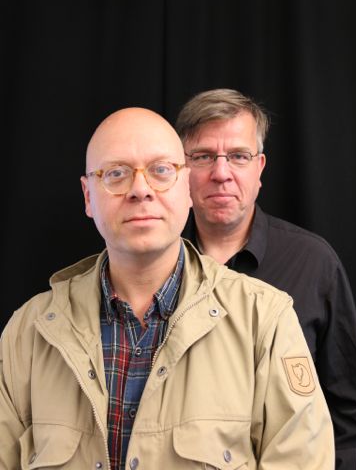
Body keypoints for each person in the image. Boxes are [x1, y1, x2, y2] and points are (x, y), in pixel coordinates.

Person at [0, 107, 334, 470]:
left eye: (161, 170)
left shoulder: (265, 320)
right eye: (116, 173)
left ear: (186, 187)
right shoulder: (28, 333)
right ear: (88, 196)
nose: (140, 190)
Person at [176, 89, 356, 470]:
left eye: (238, 156)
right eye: (203, 156)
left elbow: (354, 418)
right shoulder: (157, 266)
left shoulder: (313, 263)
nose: (221, 173)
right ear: (181, 169)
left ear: (259, 168)